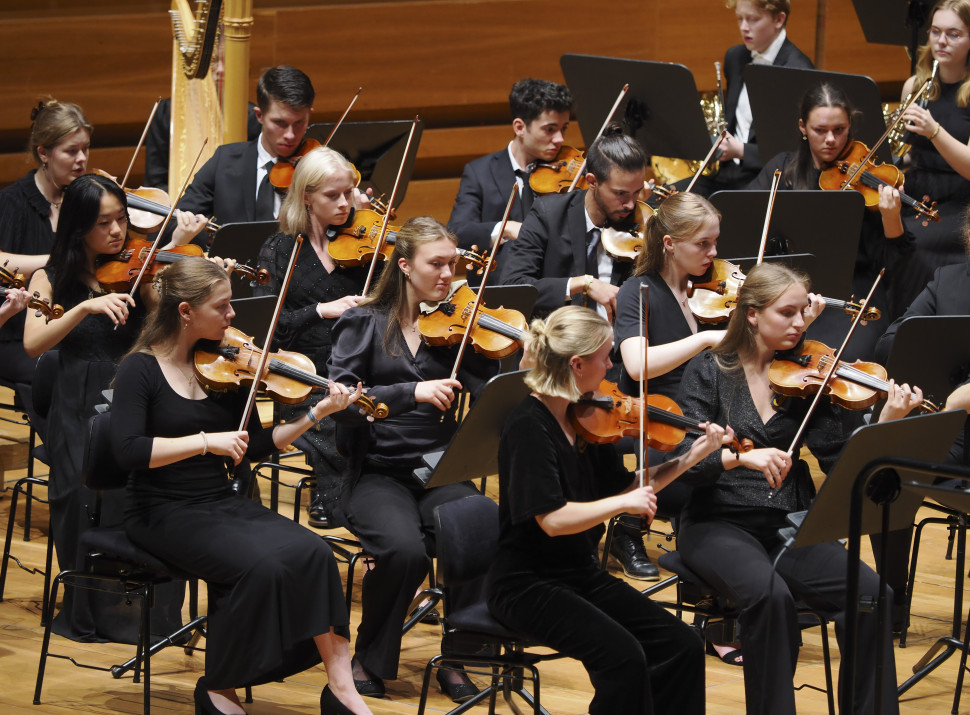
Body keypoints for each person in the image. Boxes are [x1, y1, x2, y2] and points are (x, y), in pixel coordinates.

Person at [110, 257, 373, 715]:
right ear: (186, 312)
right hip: (160, 509)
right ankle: (219, 686)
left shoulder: (224, 367)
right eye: (223, 307)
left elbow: (253, 446)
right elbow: (129, 451)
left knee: (313, 553)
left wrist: (317, 414)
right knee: (259, 567)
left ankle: (341, 687)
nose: (233, 317)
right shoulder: (141, 370)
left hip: (216, 501)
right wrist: (205, 442)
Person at [672, 262, 918, 715]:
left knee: (871, 596)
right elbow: (683, 464)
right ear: (751, 314)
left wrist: (884, 424)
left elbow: (840, 464)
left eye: (804, 311)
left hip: (786, 522)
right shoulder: (710, 371)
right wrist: (741, 456)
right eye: (787, 313)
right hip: (717, 520)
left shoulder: (812, 379)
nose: (800, 323)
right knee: (770, 597)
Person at [485, 304, 719, 715]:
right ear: (576, 364)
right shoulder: (528, 426)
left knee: (680, 645)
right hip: (527, 585)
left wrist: (692, 456)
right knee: (624, 658)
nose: (612, 368)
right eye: (605, 357)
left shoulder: (586, 421)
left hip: (579, 575)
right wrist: (621, 505)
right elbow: (552, 520)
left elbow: (629, 487)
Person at [21, 173, 204, 642]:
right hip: (76, 399)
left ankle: (150, 616)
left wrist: (174, 265)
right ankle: (89, 612)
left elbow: (166, 328)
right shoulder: (50, 278)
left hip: (131, 394)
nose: (118, 232)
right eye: (104, 223)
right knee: (77, 503)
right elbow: (32, 343)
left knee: (140, 497)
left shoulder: (138, 271)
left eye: (122, 219)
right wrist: (82, 309)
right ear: (79, 227)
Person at [327, 217, 496, 703]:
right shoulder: (362, 323)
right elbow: (346, 403)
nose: (449, 274)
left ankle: (459, 656)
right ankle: (369, 657)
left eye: (453, 264)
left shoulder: (456, 329)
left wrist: (506, 359)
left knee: (483, 524)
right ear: (404, 266)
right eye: (437, 264)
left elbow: (486, 395)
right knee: (405, 552)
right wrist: (411, 392)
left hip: (440, 471)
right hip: (378, 473)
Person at [611, 193, 730, 583]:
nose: (713, 253)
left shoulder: (708, 292)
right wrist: (704, 340)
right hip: (664, 419)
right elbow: (636, 363)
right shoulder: (638, 291)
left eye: (715, 242)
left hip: (709, 413)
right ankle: (628, 529)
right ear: (669, 244)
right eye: (703, 244)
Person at [749, 82, 914, 360]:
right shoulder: (783, 170)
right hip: (789, 290)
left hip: (852, 292)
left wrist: (891, 217)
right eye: (820, 130)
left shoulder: (869, 181)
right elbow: (748, 218)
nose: (831, 140)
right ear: (802, 127)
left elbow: (893, 263)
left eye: (839, 130)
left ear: (850, 126)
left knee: (849, 354)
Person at [256, 146, 369, 529]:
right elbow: (268, 327)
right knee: (342, 418)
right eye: (332, 195)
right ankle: (341, 497)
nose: (344, 203)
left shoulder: (363, 246)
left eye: (349, 193)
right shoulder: (280, 250)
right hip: (303, 378)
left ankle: (380, 496)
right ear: (306, 197)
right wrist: (322, 310)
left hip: (356, 365)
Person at [501, 125, 644, 322]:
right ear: (592, 181)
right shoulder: (548, 215)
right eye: (621, 193)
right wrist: (584, 284)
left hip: (620, 347)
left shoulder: (641, 224)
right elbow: (513, 287)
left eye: (637, 192)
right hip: (560, 344)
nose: (631, 204)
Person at [167, 65, 315, 244]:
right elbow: (174, 223)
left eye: (300, 123)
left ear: (309, 116)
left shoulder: (318, 166)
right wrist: (216, 240)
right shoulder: (224, 161)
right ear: (259, 115)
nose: (290, 135)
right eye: (280, 123)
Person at [0, 99, 91, 384]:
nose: (82, 159)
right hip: (17, 336)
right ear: (44, 153)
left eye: (86, 149)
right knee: (62, 376)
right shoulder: (13, 202)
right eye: (71, 151)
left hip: (71, 329)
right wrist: (57, 260)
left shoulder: (84, 201)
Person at [895, 0, 970, 316]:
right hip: (916, 193)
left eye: (954, 34)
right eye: (936, 32)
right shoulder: (916, 85)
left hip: (958, 202)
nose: (941, 41)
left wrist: (934, 131)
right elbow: (905, 153)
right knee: (871, 227)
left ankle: (914, 325)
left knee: (913, 243)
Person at [695, 0, 813, 195]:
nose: (744, 27)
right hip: (726, 171)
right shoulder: (736, 57)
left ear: (779, 19)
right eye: (740, 18)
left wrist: (741, 150)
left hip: (767, 176)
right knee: (668, 200)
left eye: (753, 19)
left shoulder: (799, 70)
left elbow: (795, 151)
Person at [447, 78, 572, 249]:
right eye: (550, 129)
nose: (560, 139)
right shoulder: (480, 172)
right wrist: (506, 228)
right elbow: (457, 231)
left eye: (563, 128)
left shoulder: (568, 172)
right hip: (500, 273)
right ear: (520, 127)